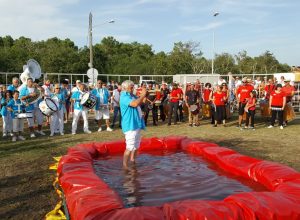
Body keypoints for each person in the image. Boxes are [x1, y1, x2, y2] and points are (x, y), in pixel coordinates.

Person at [120, 80, 147, 169]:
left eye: (133, 87)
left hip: (136, 123)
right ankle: (125, 166)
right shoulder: (124, 96)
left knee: (136, 145)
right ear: (125, 88)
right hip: (130, 124)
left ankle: (132, 160)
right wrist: (143, 94)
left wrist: (143, 94)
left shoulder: (132, 95)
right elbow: (135, 104)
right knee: (130, 146)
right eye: (131, 87)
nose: (133, 89)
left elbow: (141, 101)